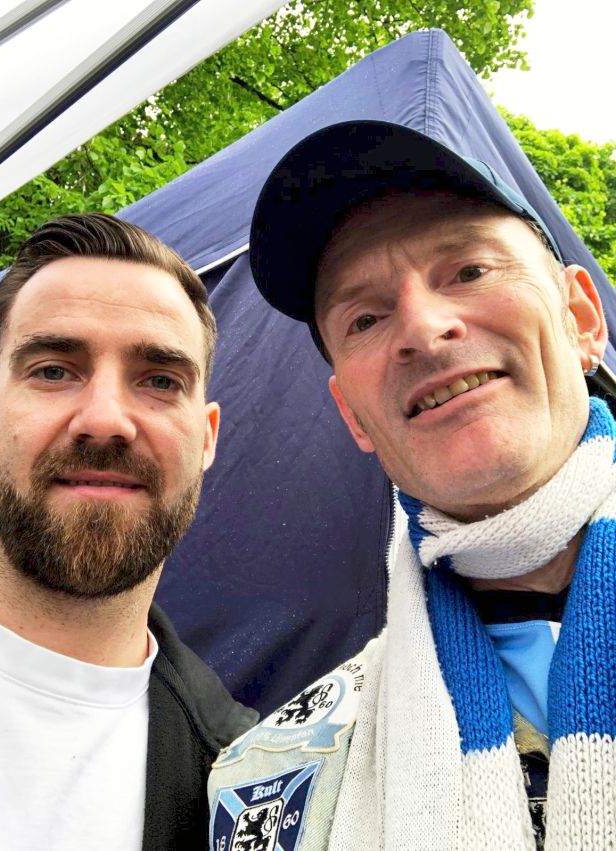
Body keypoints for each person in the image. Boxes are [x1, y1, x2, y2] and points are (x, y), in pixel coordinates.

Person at [208, 121, 616, 850]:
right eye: (366, 317)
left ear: (582, 319)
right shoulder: (267, 786)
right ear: (353, 415)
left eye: (470, 271)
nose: (424, 331)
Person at [0, 213, 257, 850]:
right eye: (54, 370)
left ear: (206, 438)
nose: (105, 420)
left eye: (160, 381)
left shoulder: (247, 789)